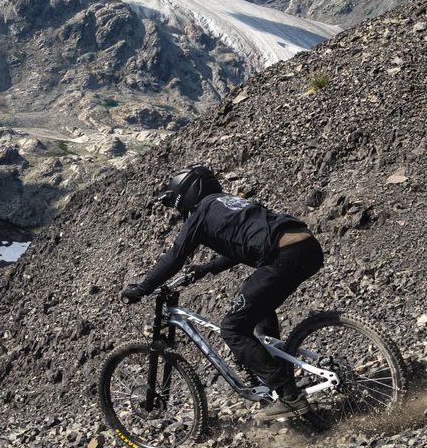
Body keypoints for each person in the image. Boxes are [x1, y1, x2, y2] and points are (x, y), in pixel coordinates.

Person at [122, 164, 325, 420]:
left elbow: (175, 257)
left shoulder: (203, 211)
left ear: (187, 194)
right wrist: (206, 268)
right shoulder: (229, 203)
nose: (181, 211)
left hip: (283, 256)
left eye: (178, 204)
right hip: (306, 248)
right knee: (256, 308)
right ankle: (276, 378)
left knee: (232, 327)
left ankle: (289, 396)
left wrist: (141, 289)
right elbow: (240, 245)